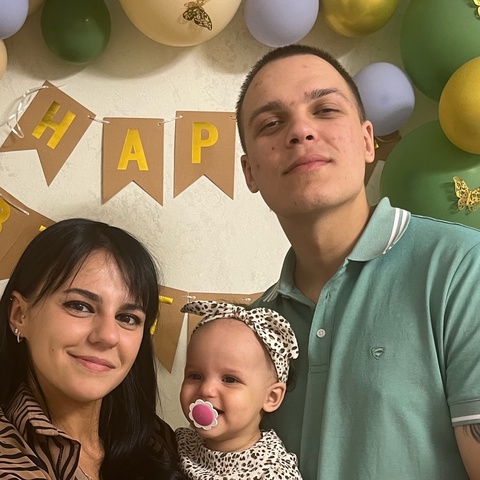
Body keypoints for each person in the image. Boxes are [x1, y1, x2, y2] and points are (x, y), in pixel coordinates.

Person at [235, 44, 480, 480]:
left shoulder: (462, 267)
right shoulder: (251, 331)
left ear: (368, 141)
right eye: (271, 123)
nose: (301, 131)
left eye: (325, 110)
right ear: (250, 171)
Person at [0, 219, 185, 480]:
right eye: (80, 306)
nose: (108, 336)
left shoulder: (160, 441)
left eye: (128, 318)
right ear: (20, 314)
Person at [175, 300, 302, 479]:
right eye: (195, 376)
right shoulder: (180, 444)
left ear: (271, 397)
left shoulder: (274, 473)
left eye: (229, 379)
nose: (206, 389)